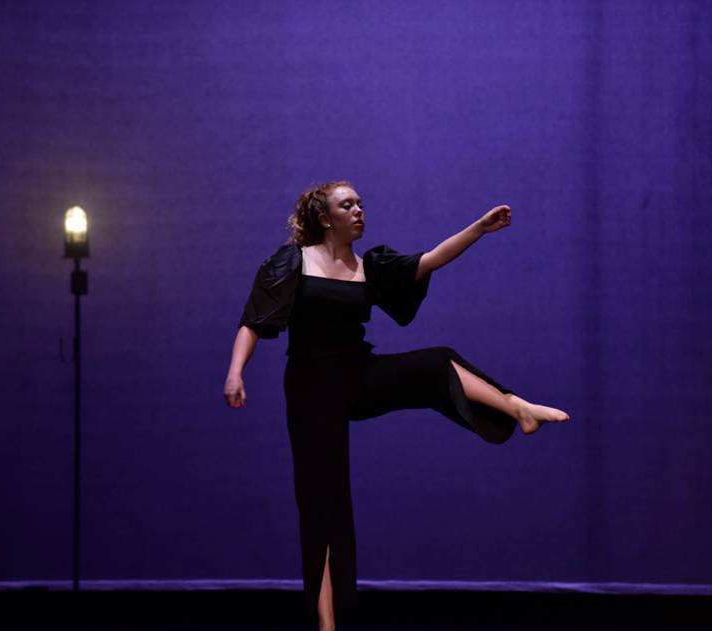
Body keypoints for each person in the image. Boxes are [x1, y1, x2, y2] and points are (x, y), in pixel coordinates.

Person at [224, 180, 570, 630]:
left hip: (358, 375)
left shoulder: (370, 266)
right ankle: (326, 622)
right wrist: (236, 371)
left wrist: (478, 230)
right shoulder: (295, 260)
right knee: (323, 504)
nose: (359, 210)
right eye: (347, 205)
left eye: (361, 203)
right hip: (311, 388)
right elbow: (253, 321)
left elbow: (430, 260)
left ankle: (517, 407)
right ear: (325, 218)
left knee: (433, 363)